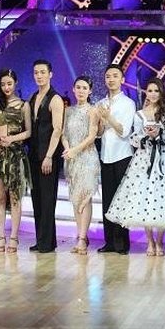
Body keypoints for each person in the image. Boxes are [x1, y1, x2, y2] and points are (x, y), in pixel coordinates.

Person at [106, 78, 165, 256]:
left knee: (163, 200)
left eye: (156, 91)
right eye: (150, 90)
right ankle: (150, 242)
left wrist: (160, 133)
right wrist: (146, 136)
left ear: (161, 93)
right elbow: (133, 139)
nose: (153, 94)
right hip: (143, 160)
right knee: (144, 200)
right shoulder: (139, 114)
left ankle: (160, 241)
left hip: (164, 160)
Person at [0, 69, 32, 253]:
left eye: (9, 84)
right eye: (3, 84)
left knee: (15, 196)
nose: (6, 87)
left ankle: (13, 237)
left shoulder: (23, 105)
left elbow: (28, 132)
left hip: (16, 155)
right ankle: (0, 236)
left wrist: (12, 139)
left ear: (15, 83)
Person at [96, 64, 136, 255]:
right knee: (107, 200)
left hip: (122, 156)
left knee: (121, 200)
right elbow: (99, 132)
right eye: (108, 76)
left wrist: (108, 117)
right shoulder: (101, 102)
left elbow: (124, 131)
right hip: (106, 155)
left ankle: (122, 243)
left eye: (114, 76)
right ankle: (109, 242)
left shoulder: (128, 103)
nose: (111, 79)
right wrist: (100, 123)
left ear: (122, 79)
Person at [29, 60, 65, 253]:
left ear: (50, 74)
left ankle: (47, 242)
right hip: (33, 155)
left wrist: (49, 156)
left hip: (48, 155)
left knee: (47, 199)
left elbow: (57, 130)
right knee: (37, 198)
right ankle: (43, 240)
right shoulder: (33, 97)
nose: (39, 76)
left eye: (43, 72)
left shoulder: (55, 99)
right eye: (36, 72)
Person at [61, 76, 100, 255]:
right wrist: (68, 149)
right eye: (78, 87)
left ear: (90, 91)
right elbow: (63, 134)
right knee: (76, 198)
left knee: (85, 197)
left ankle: (82, 239)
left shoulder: (93, 110)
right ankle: (80, 234)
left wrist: (75, 150)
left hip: (87, 157)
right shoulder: (68, 111)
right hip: (71, 159)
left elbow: (92, 136)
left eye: (85, 88)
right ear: (73, 89)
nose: (81, 91)